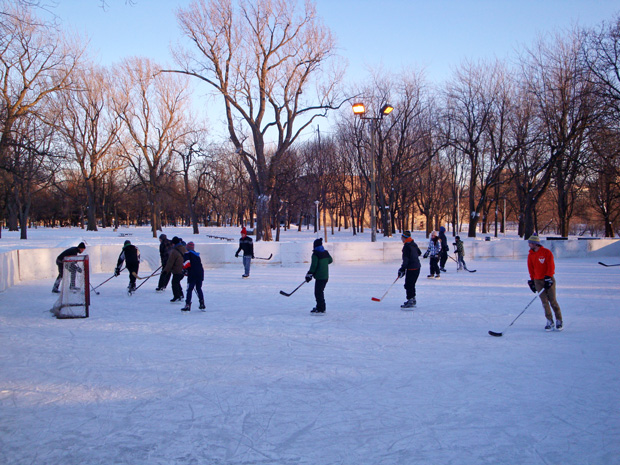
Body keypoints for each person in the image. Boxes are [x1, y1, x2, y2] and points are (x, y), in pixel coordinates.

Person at [527, 234, 564, 331]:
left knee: (553, 301)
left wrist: (548, 277)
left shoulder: (546, 252)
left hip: (548, 279)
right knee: (544, 302)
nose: (529, 244)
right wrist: (532, 281)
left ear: (536, 244)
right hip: (537, 281)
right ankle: (549, 321)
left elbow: (550, 266)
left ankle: (559, 320)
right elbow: (531, 269)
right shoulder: (530, 255)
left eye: (530, 243)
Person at [305, 238, 333, 314]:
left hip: (320, 277)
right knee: (320, 291)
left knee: (318, 292)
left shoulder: (315, 254)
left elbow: (313, 266)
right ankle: (320, 306)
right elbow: (330, 260)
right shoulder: (325, 253)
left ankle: (321, 308)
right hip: (325, 277)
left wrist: (309, 274)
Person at [398, 231, 422, 308]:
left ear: (405, 238)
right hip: (417, 267)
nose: (401, 239)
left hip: (412, 268)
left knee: (408, 284)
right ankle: (412, 299)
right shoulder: (413, 244)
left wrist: (402, 269)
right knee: (411, 284)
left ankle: (411, 300)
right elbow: (419, 253)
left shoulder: (406, 247)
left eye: (402, 238)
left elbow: (406, 260)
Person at [181, 242, 205, 311]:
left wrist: (184, 270)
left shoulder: (187, 254)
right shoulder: (197, 255)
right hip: (200, 273)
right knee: (198, 288)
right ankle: (202, 303)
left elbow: (186, 264)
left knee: (189, 289)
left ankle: (187, 305)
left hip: (192, 274)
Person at [163, 236, 187, 302]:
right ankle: (181, 295)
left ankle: (177, 296)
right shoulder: (184, 248)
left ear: (174, 243)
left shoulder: (174, 251)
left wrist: (165, 271)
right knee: (177, 282)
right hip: (184, 269)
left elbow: (170, 262)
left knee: (174, 283)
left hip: (177, 270)